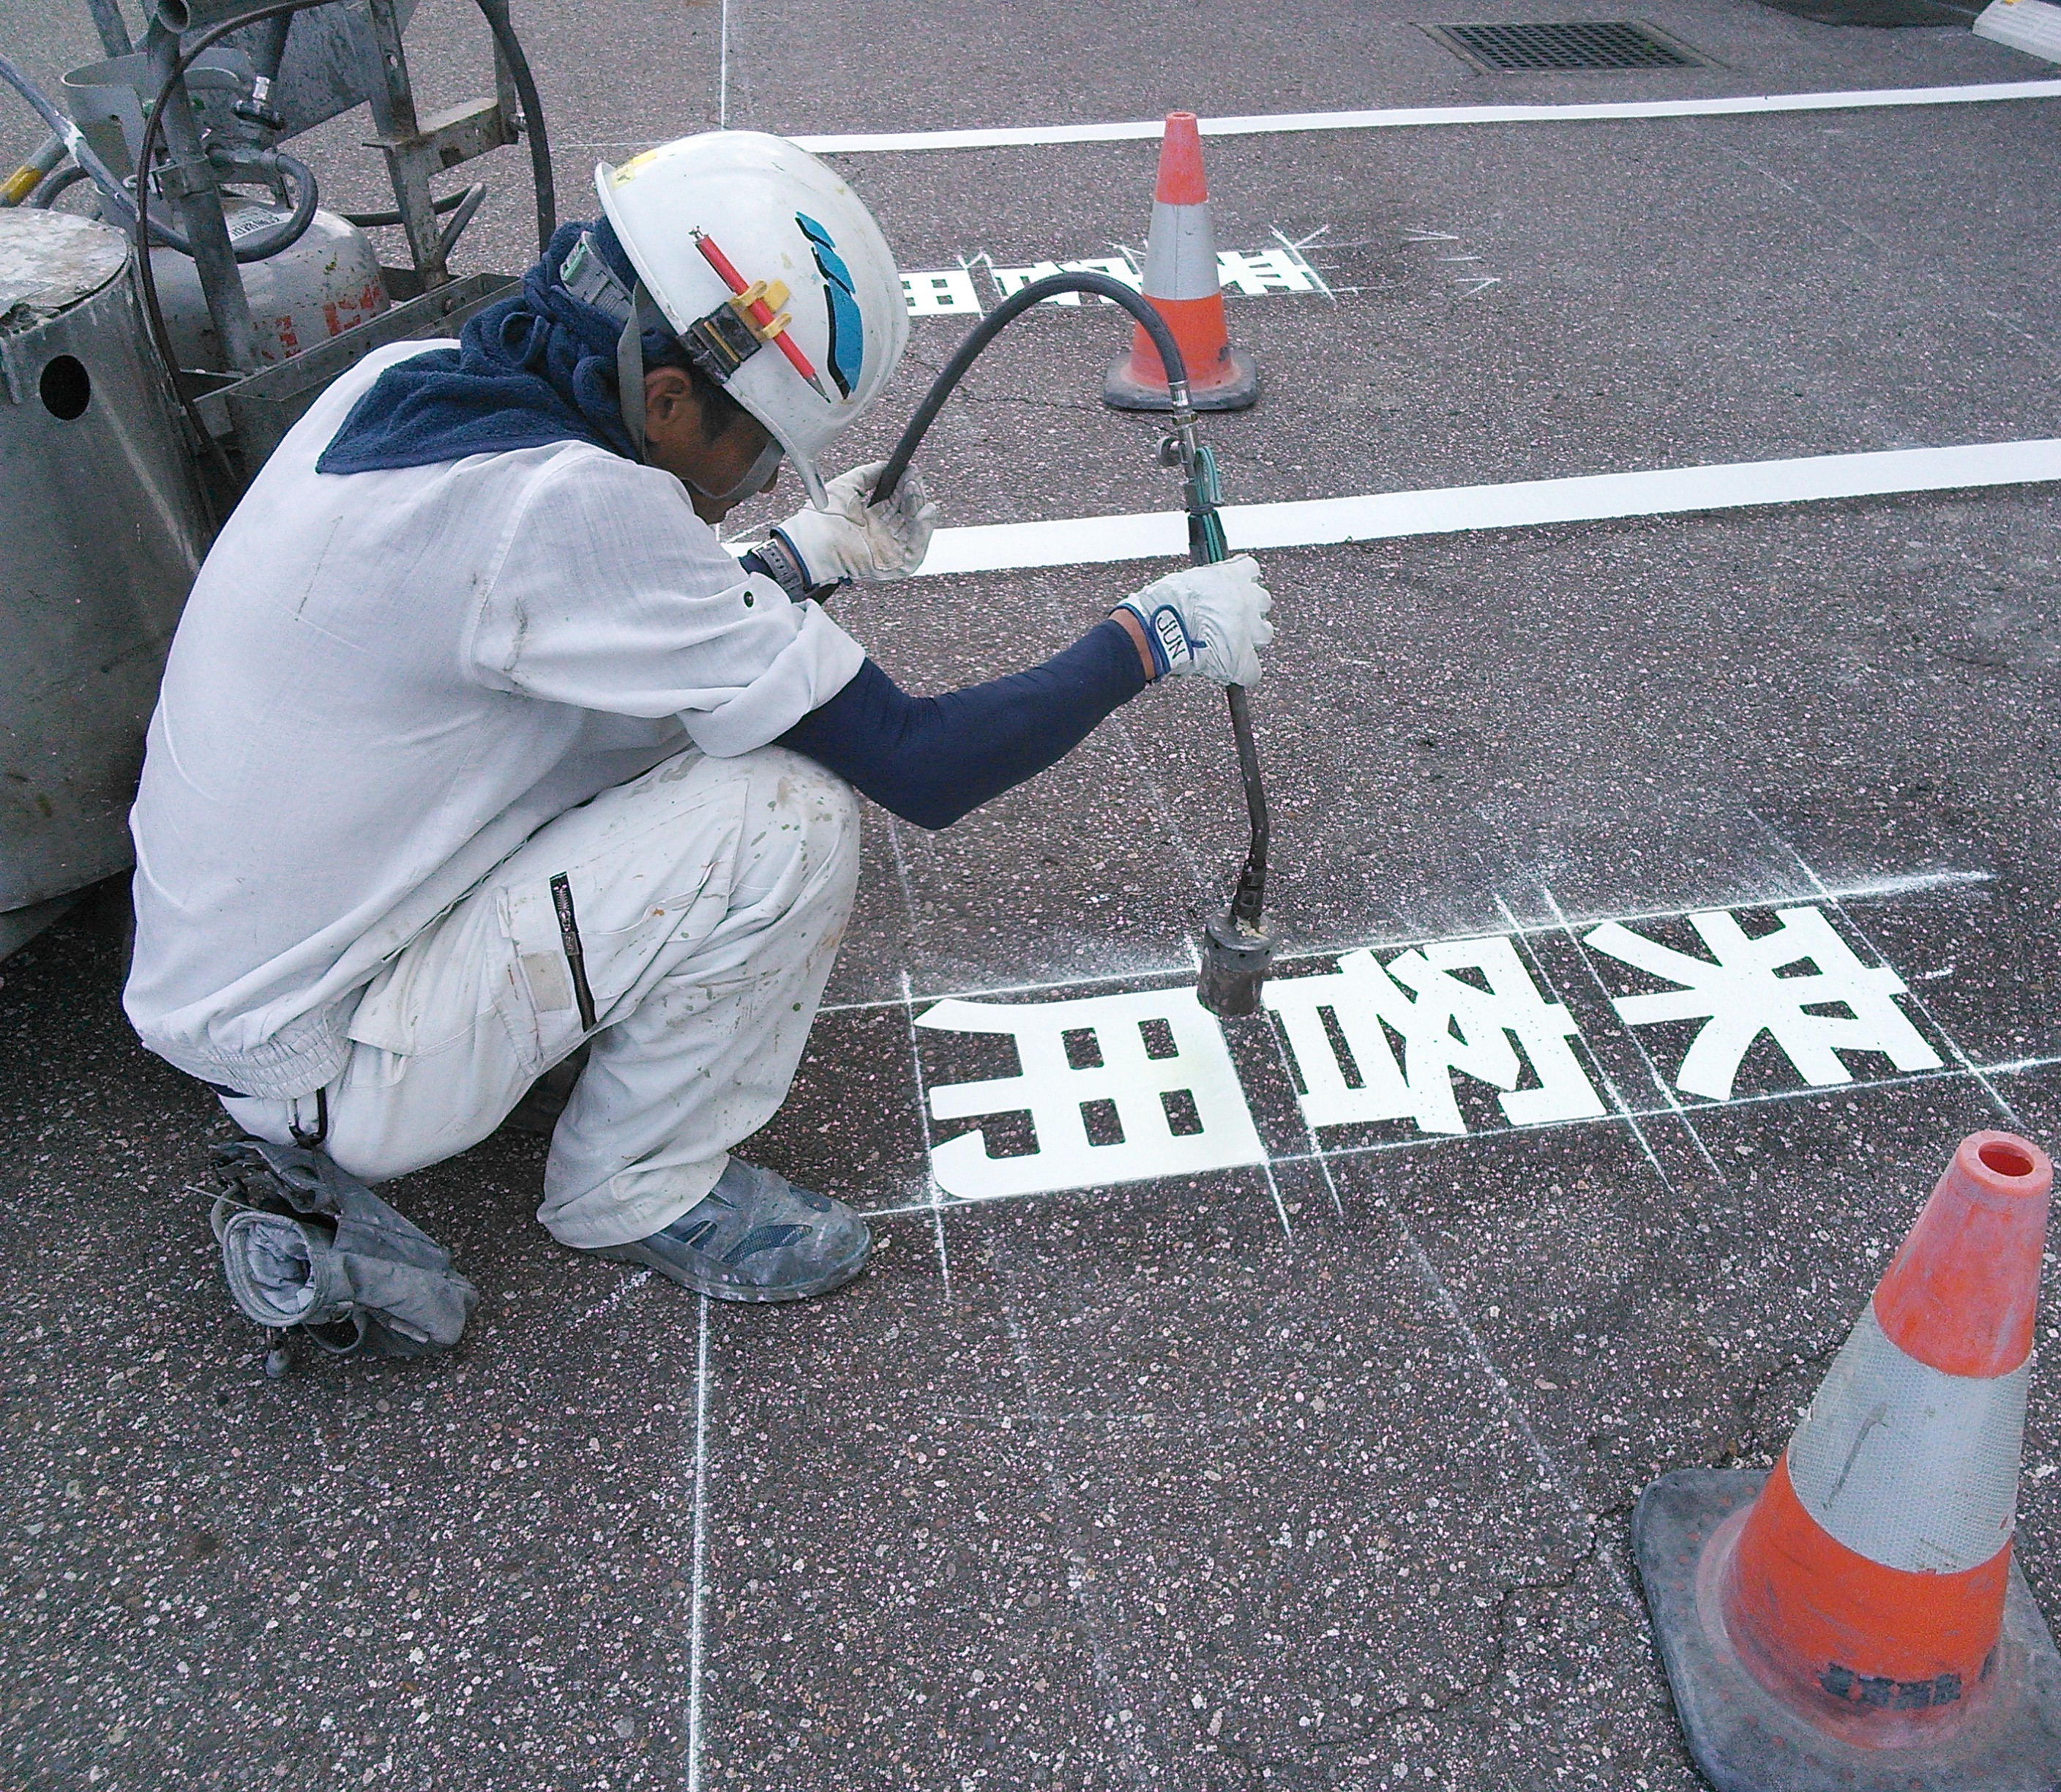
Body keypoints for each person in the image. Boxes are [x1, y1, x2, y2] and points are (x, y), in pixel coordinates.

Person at [122, 131, 1273, 1305]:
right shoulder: (562, 513)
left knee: (693, 723)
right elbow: (924, 766)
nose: (768, 478)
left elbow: (613, 624)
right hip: (327, 1058)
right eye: (764, 444)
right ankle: (632, 1186)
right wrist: (1151, 638)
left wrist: (799, 560)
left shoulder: (410, 382)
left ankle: (511, 1057)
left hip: (235, 984)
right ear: (666, 397)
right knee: (789, 811)